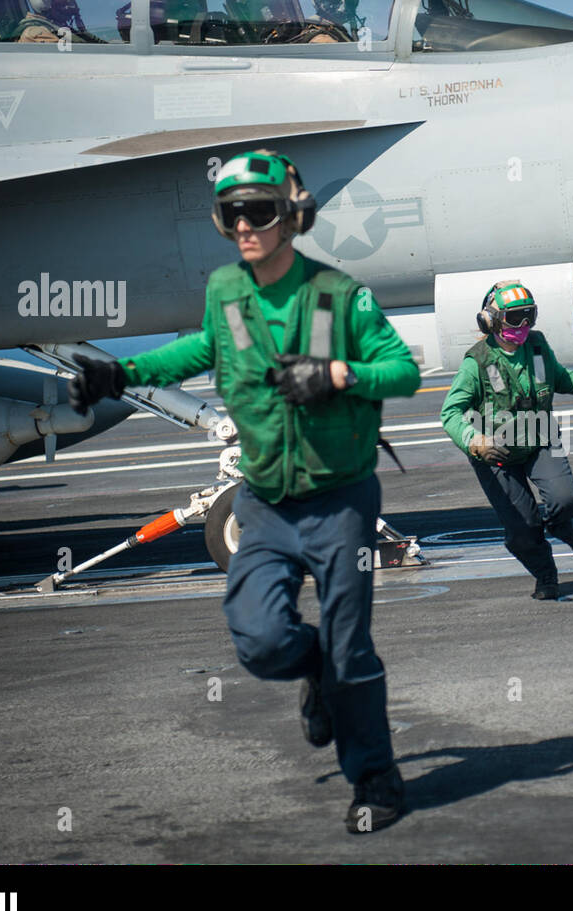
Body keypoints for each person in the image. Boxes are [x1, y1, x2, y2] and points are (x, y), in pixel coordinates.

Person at [68, 150, 420, 834]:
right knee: (260, 641)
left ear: (291, 213)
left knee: (352, 648)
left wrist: (338, 374)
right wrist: (124, 371)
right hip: (264, 501)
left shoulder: (340, 295)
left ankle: (375, 777)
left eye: (258, 210)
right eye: (233, 215)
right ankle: (309, 664)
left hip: (340, 501)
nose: (245, 225)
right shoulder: (227, 289)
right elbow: (205, 348)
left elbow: (402, 370)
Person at [439, 281, 573, 600]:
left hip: (540, 440)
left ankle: (562, 527)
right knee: (523, 528)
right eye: (514, 317)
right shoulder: (476, 363)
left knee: (566, 499)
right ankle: (546, 575)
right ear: (491, 320)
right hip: (495, 453)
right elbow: (451, 413)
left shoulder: (537, 346)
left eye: (529, 316)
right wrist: (474, 441)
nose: (523, 325)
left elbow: (560, 379)